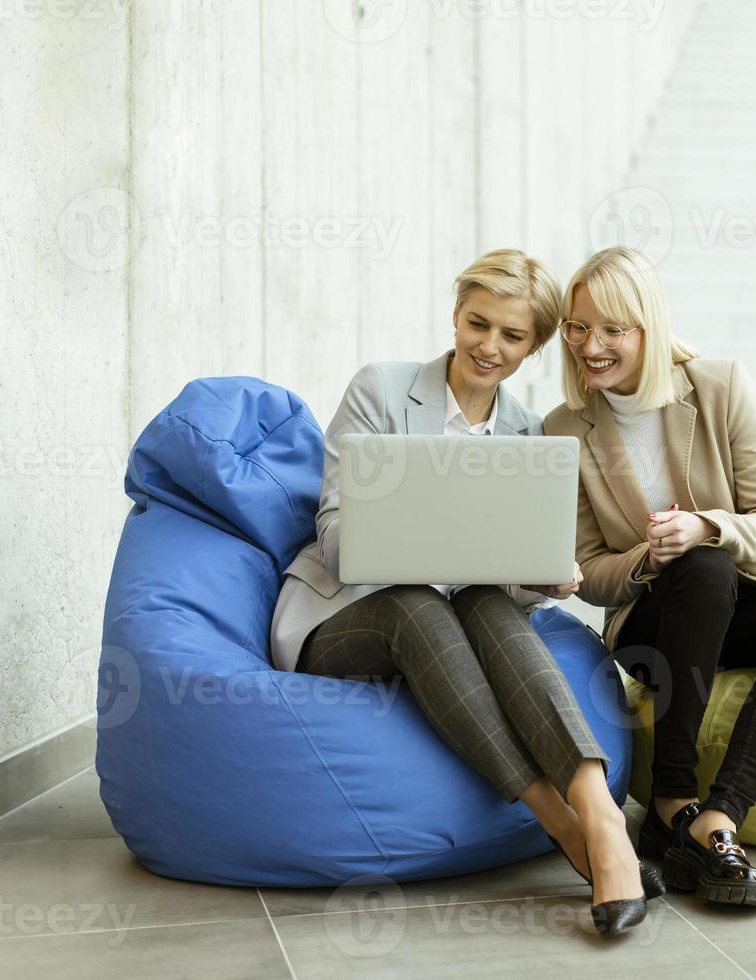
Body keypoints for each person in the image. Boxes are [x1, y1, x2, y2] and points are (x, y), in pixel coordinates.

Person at [268, 249, 655, 935]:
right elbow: (330, 531)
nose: (489, 346)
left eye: (511, 336)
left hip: (458, 618)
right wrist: (409, 545)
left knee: (485, 600)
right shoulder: (381, 390)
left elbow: (507, 578)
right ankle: (559, 822)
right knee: (422, 601)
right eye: (479, 324)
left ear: (534, 346)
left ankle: (596, 814)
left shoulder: (525, 433)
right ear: (455, 316)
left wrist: (542, 576)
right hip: (348, 613)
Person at [543, 246, 756, 909]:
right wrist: (648, 560)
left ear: (647, 329)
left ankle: (719, 816)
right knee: (699, 570)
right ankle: (671, 796)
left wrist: (708, 526)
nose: (588, 345)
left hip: (730, 595)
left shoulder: (720, 386)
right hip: (649, 624)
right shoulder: (564, 429)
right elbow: (591, 574)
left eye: (610, 330)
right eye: (576, 326)